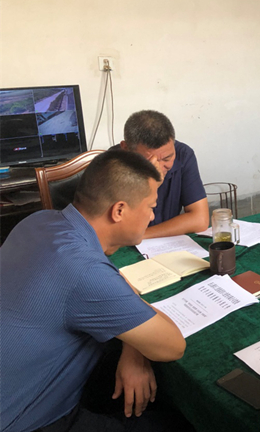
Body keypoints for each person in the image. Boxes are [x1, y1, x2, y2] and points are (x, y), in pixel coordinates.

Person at [0, 150, 189, 432]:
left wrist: (132, 351)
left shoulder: (39, 220)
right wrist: (131, 303)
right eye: (151, 206)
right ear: (119, 210)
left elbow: (107, 279)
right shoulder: (84, 272)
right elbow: (172, 346)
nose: (152, 216)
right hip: (25, 420)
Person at [118, 110, 209, 239]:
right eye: (149, 161)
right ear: (126, 149)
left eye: (167, 159)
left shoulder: (183, 155)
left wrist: (141, 236)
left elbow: (200, 219)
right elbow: (116, 230)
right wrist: (152, 185)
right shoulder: (110, 166)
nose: (159, 169)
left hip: (154, 241)